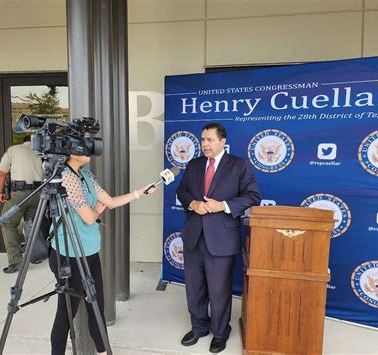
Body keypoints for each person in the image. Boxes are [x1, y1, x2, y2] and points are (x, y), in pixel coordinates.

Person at [49, 154, 157, 355]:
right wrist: (97, 209)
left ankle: (104, 352)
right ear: (72, 152)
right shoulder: (65, 177)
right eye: (85, 144)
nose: (91, 149)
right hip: (69, 256)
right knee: (66, 314)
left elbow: (110, 201)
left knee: (97, 308)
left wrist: (139, 193)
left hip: (89, 252)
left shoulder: (84, 173)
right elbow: (90, 218)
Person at [176, 123, 261, 353]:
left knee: (219, 290)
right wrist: (193, 203)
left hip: (221, 239)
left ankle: (221, 332)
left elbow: (253, 197)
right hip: (194, 236)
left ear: (223, 142)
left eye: (210, 140)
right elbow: (181, 191)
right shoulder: (193, 165)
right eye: (202, 139)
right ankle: (199, 327)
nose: (205, 144)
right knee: (194, 288)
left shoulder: (239, 165)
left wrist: (222, 205)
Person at [0, 135, 43, 273]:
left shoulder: (13, 150)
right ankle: (35, 255)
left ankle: (16, 260)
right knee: (32, 224)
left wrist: (0, 192)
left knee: (7, 223)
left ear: (23, 141)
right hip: (38, 193)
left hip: (19, 194)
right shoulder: (41, 151)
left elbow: (1, 173)